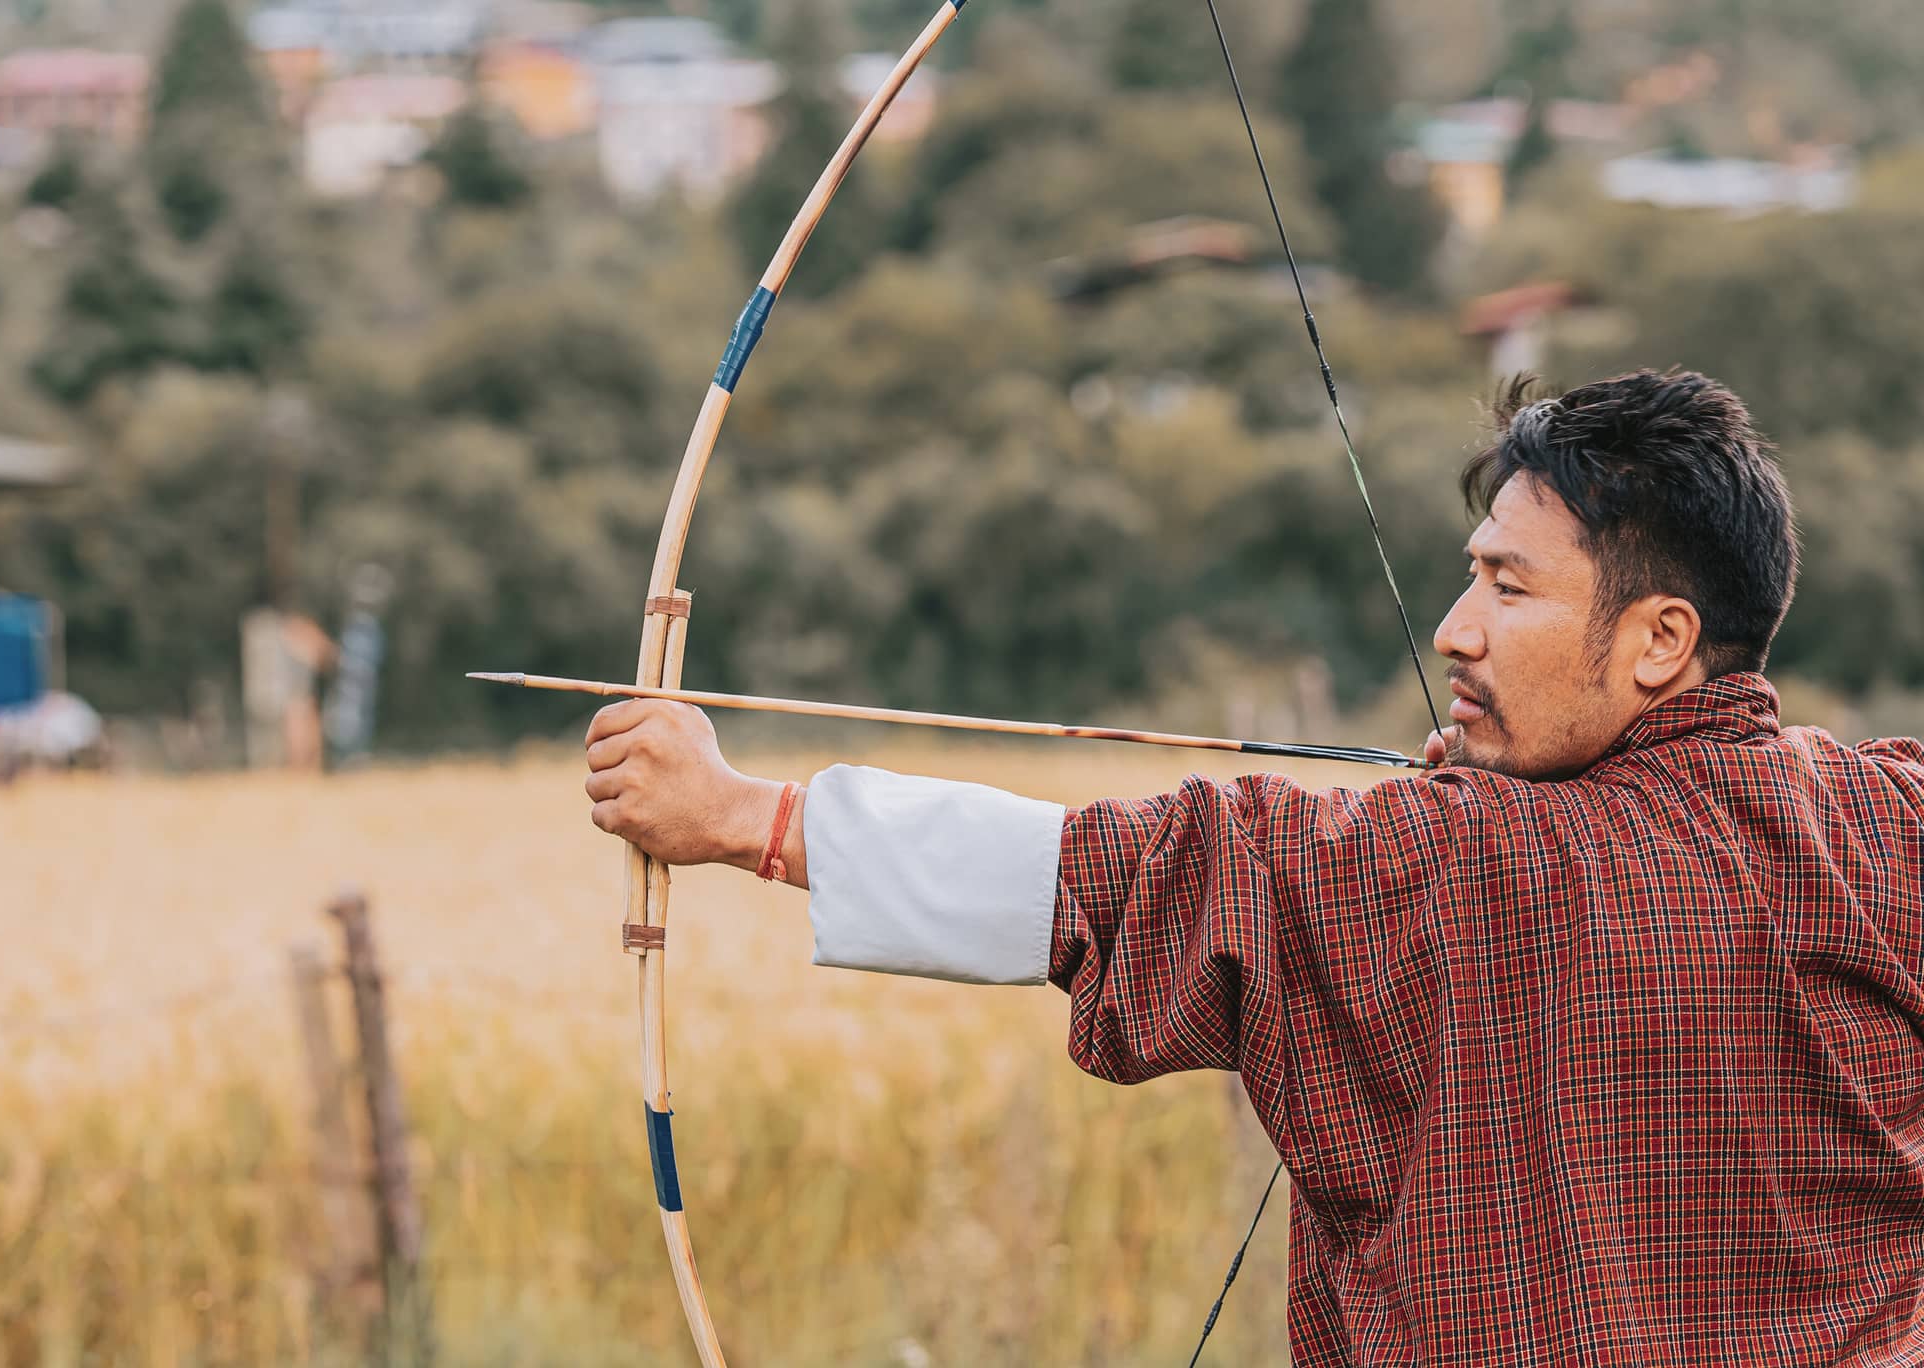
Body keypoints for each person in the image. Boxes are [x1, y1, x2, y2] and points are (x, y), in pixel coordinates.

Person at [581, 370, 1924, 1365]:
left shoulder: (1457, 866)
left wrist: (741, 815)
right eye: (1467, 581)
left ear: (1658, 641)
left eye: (1510, 590)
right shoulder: (1892, 826)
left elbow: (1118, 877)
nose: (1457, 631)